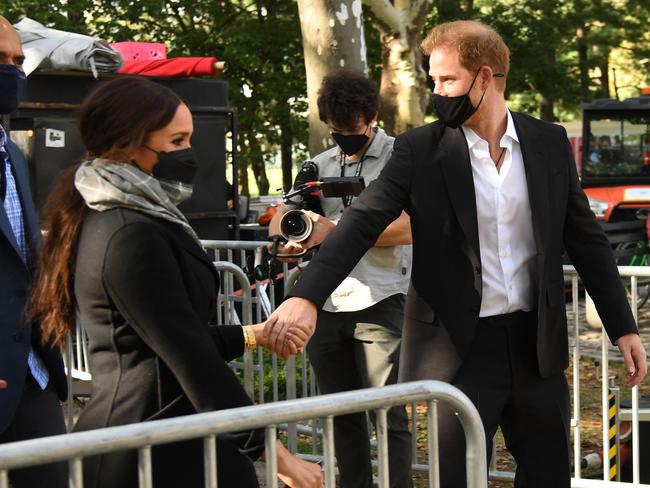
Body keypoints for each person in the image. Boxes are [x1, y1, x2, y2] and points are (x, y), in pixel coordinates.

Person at [264, 20, 648, 488]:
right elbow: (363, 221)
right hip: (461, 353)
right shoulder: (419, 150)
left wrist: (622, 326)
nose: (437, 91)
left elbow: (585, 237)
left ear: (485, 78)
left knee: (549, 476)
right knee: (458, 480)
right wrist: (306, 294)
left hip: (537, 347)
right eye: (432, 80)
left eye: (447, 80)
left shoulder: (547, 143)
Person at [28, 76, 322, 488]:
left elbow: (166, 335)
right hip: (146, 449)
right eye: (177, 140)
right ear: (129, 144)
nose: (189, 153)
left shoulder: (135, 215)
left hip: (173, 436)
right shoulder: (128, 233)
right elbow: (190, 358)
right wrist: (276, 455)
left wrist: (255, 334)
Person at [268, 69, 413, 488]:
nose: (343, 137)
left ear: (371, 116)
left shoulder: (400, 157)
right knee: (341, 412)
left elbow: (408, 227)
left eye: (351, 130)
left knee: (389, 412)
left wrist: (336, 232)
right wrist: (293, 235)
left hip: (383, 298)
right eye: (335, 130)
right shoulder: (317, 165)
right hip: (324, 304)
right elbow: (282, 220)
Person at [0, 16, 68, 488]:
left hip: (32, 372)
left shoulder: (13, 155)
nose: (12, 71)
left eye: (17, 61)